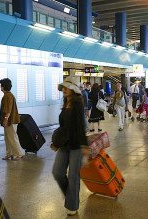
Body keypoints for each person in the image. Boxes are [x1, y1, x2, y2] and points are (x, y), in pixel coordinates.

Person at [52, 76, 87, 216]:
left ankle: (72, 205)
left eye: (66, 87)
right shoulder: (65, 102)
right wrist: (56, 142)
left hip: (76, 144)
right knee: (57, 172)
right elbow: (63, 127)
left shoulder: (78, 104)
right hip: (64, 144)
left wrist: (84, 145)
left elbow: (80, 126)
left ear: (73, 89)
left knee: (73, 176)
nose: (64, 89)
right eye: (63, 87)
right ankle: (71, 196)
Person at [0, 78, 24, 161]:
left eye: (1, 85)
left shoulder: (8, 96)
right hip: (9, 120)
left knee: (12, 137)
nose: (0, 87)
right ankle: (9, 154)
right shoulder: (8, 95)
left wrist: (5, 119)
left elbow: (8, 109)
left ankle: (19, 154)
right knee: (7, 138)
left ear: (3, 87)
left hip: (10, 121)